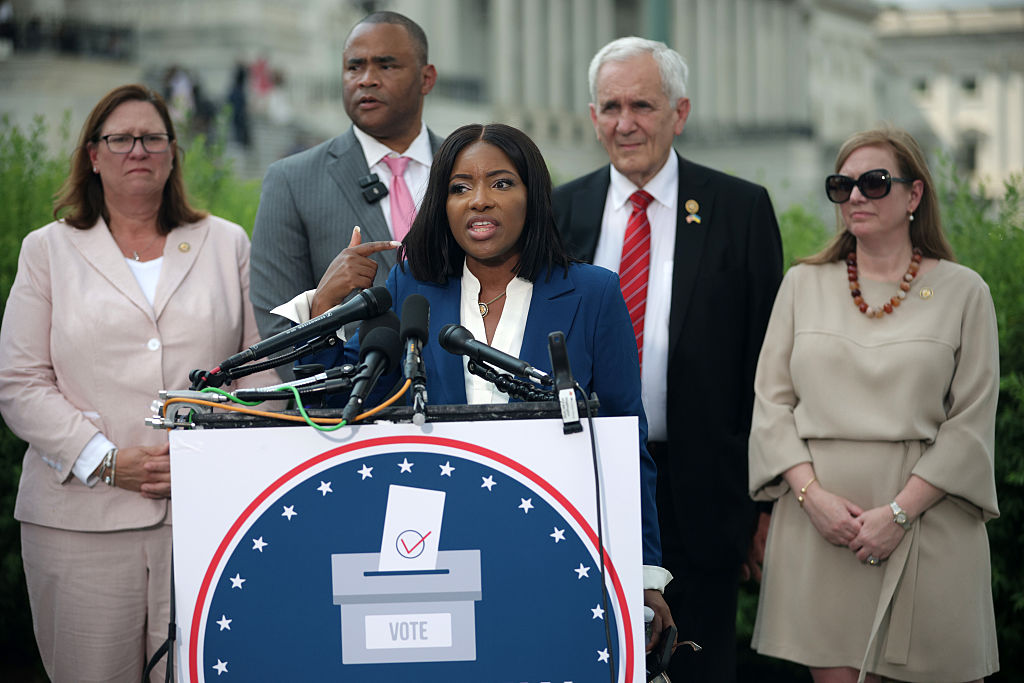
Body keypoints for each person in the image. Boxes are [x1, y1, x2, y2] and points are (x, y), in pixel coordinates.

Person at [274, 122, 677, 651]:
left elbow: (627, 442)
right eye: (460, 188)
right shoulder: (409, 286)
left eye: (501, 184)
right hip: (432, 546)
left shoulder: (593, 293)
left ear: (533, 195)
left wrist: (643, 571)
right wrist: (323, 307)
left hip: (550, 541)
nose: (479, 201)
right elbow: (340, 401)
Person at [0, 84, 273, 683]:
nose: (137, 150)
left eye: (152, 138)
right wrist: (103, 460)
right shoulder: (47, 251)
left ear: (174, 154)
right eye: (119, 139)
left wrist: (211, 456)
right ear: (92, 155)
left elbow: (262, 375)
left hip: (207, 520)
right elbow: (20, 382)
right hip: (80, 524)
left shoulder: (226, 243)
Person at [552, 36, 783, 680]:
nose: (625, 124)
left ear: (679, 113)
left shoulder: (740, 209)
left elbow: (767, 369)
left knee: (695, 666)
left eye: (642, 106)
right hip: (585, 483)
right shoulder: (557, 210)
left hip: (702, 498)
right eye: (610, 107)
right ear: (593, 115)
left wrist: (760, 507)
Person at [748, 127, 999, 682]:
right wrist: (812, 499)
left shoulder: (965, 292)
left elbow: (971, 423)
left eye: (874, 182)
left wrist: (900, 512)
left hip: (929, 529)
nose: (856, 196)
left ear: (914, 195)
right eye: (843, 185)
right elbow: (771, 405)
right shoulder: (801, 285)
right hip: (820, 533)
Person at [250, 10, 443, 379]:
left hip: (475, 415)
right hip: (353, 418)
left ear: (426, 78)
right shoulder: (291, 181)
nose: (366, 80)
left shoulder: (468, 172)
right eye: (355, 67)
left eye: (386, 66)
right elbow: (277, 337)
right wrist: (324, 304)